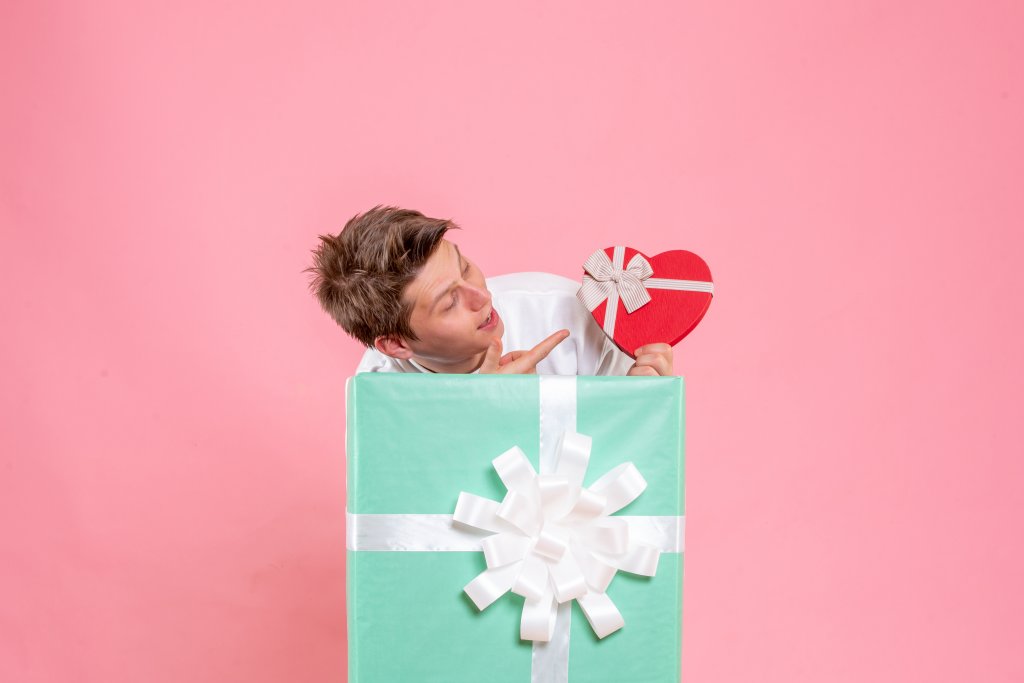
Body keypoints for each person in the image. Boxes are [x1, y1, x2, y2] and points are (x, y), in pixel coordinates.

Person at [306, 206, 674, 376]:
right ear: (396, 345)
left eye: (465, 267)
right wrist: (487, 411)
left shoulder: (572, 314)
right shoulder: (379, 387)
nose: (482, 297)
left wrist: (643, 405)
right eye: (450, 302)